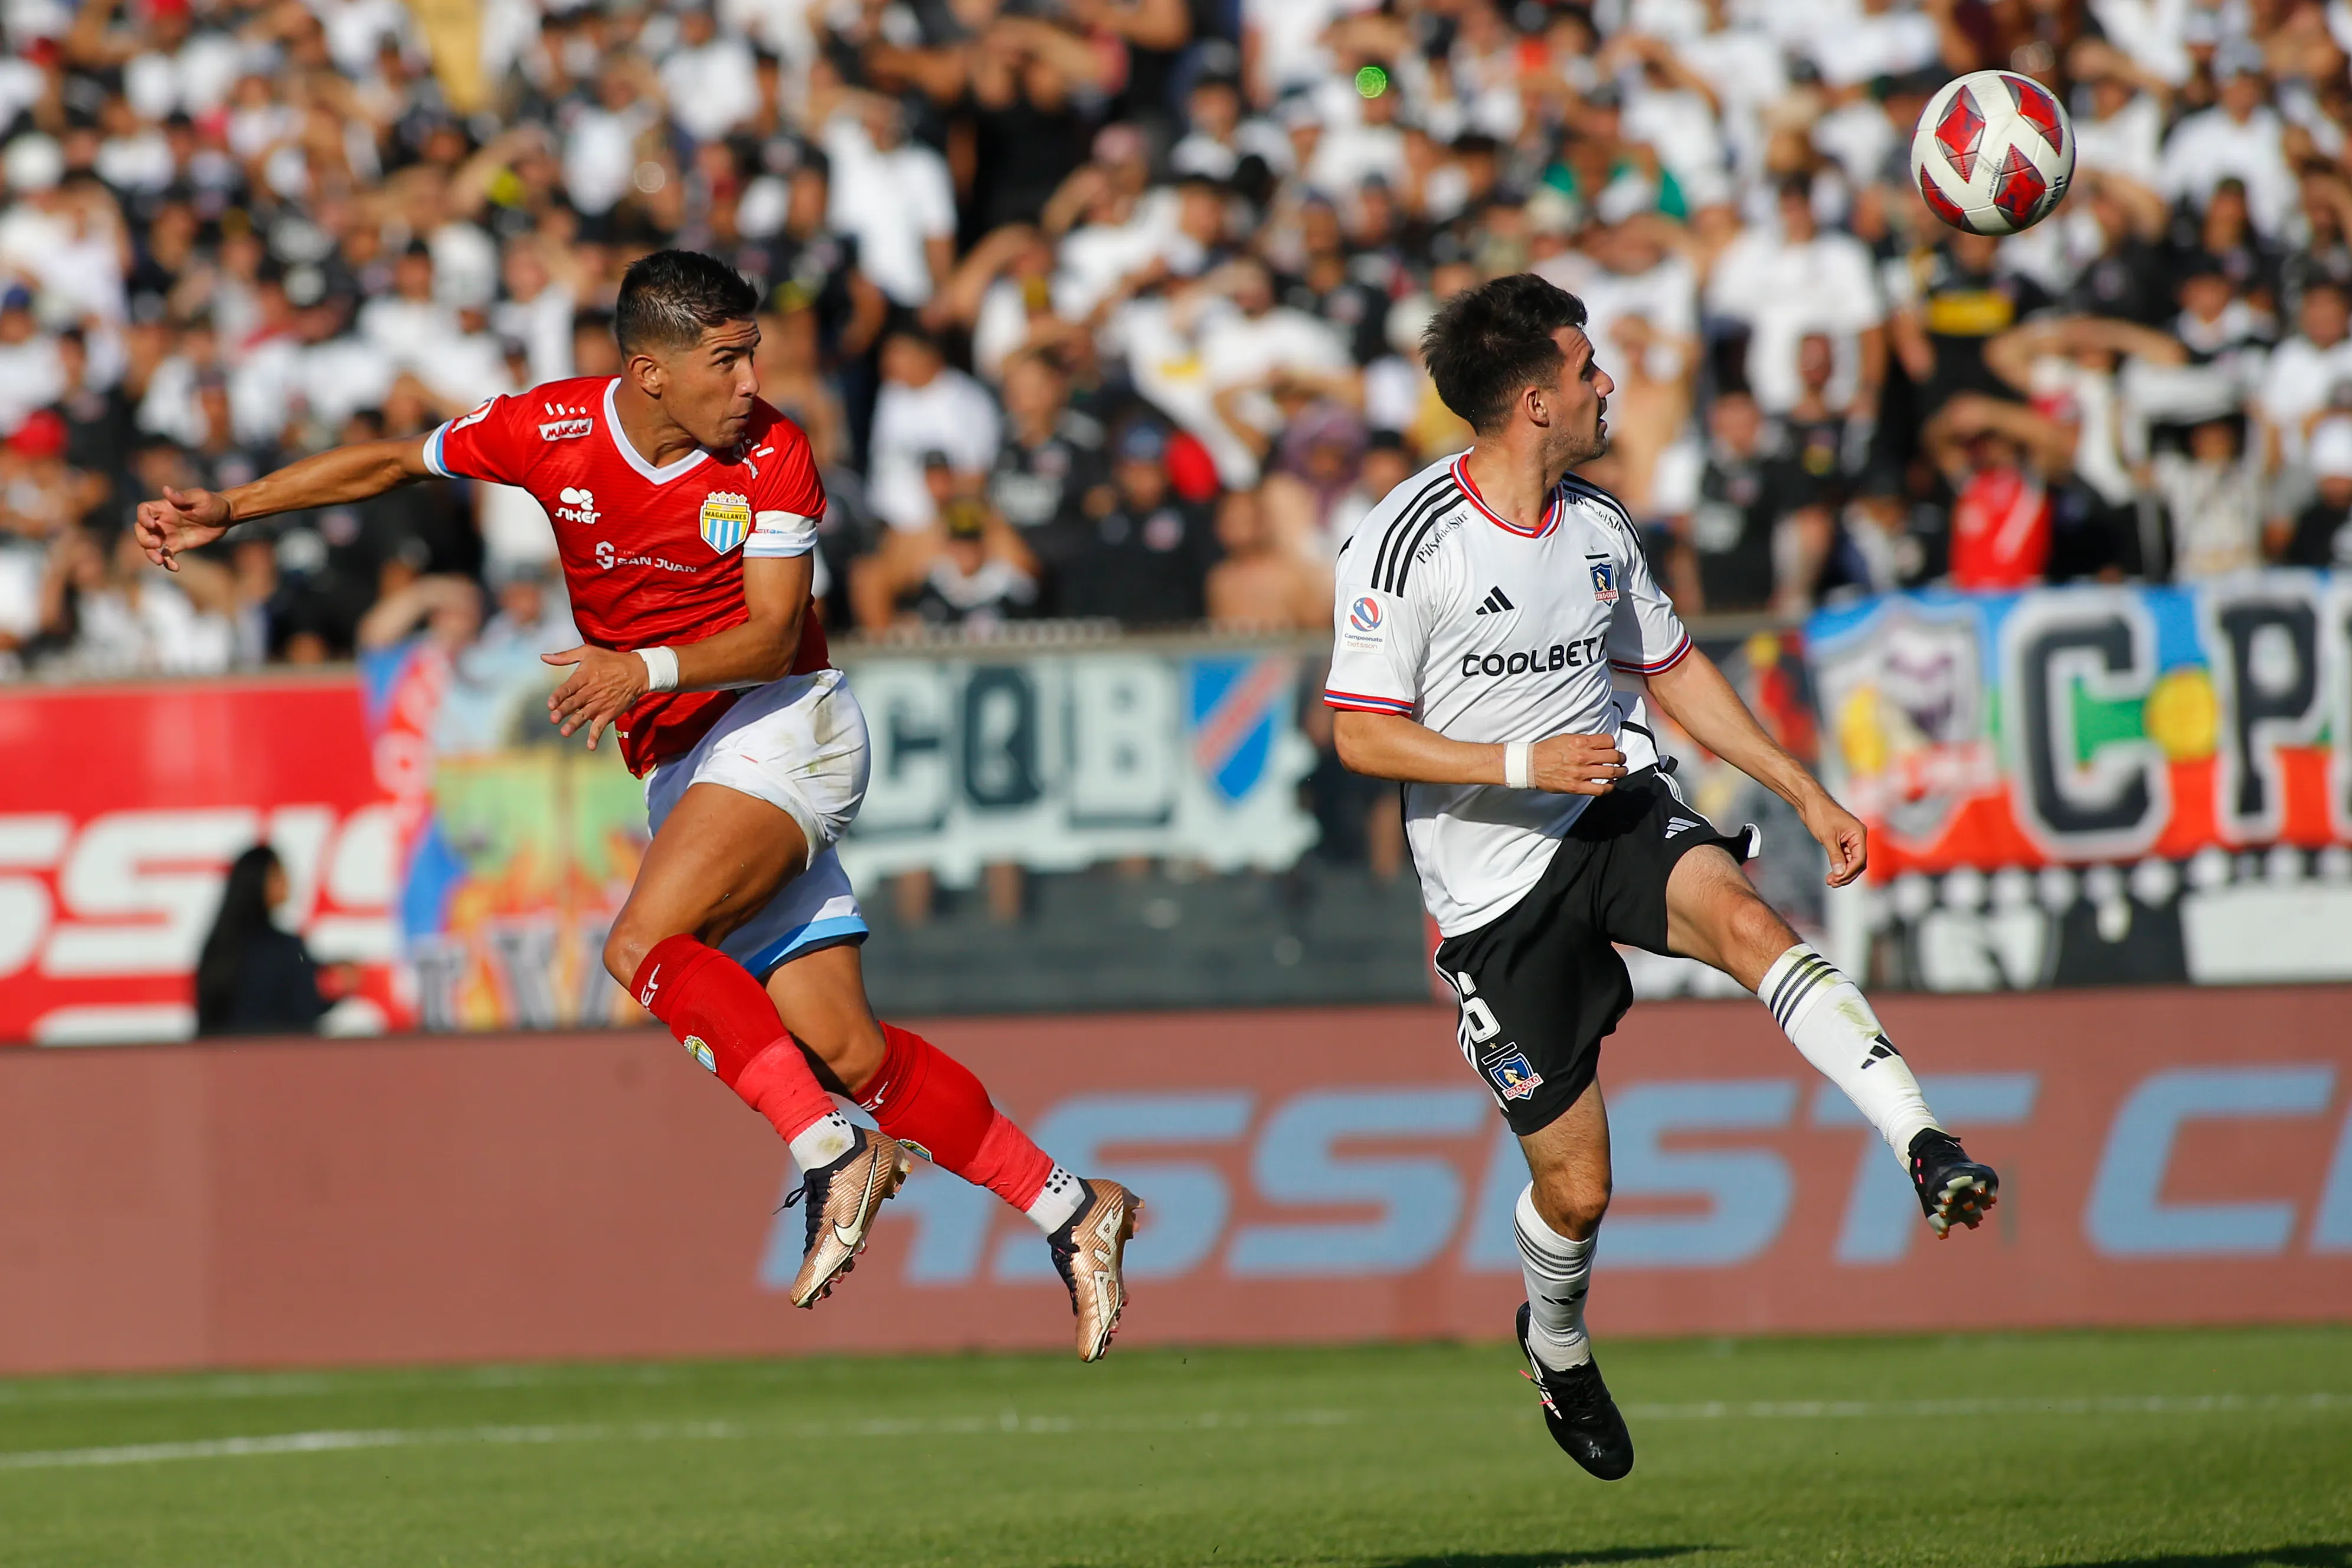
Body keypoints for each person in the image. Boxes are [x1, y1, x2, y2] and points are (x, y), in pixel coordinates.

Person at [133, 250, 1140, 1361]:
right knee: (850, 1052)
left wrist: (641, 670)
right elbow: (392, 463)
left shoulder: (775, 454)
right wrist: (236, 504)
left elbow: (768, 632)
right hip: (686, 761)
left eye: (752, 353)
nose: (752, 381)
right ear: (649, 372)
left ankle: (830, 1154)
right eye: (727, 359)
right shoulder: (549, 430)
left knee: (642, 945)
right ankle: (1072, 1207)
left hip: (782, 722)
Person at [1324, 274, 2000, 1481]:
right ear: (1533, 399)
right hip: (1491, 893)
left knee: (1746, 917)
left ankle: (1923, 1139)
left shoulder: (1597, 526)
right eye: (1586, 369)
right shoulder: (1403, 539)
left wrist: (1804, 789)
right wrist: (1521, 756)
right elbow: (1362, 733)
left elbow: (1675, 670)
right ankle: (1558, 1339)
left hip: (1617, 812)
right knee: (1577, 1192)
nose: (1606, 385)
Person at [194, 844, 335, 1036]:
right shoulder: (286, 948)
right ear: (257, 882)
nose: (287, 881)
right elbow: (303, 1010)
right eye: (277, 874)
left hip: (229, 1063)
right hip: (279, 1060)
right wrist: (336, 988)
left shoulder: (220, 947)